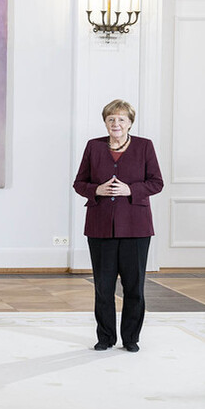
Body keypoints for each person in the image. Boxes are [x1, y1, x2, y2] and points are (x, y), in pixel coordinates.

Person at [73, 99, 163, 353]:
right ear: (105, 122)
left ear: (130, 123)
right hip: (100, 227)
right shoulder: (94, 146)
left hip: (136, 228)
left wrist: (130, 189)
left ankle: (131, 338)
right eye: (111, 119)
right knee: (103, 286)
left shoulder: (145, 147)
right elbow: (79, 183)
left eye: (121, 119)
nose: (116, 123)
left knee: (134, 287)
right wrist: (96, 189)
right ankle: (105, 337)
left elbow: (157, 182)